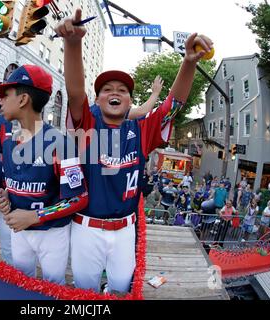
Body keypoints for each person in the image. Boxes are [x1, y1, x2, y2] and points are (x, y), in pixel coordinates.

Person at [55, 8, 213, 293]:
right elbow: (76, 92)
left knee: (120, 288)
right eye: (106, 89)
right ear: (98, 99)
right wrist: (73, 43)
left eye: (122, 90)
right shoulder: (87, 126)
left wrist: (188, 63)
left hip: (126, 231)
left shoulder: (141, 131)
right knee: (84, 291)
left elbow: (172, 106)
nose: (114, 92)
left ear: (130, 102)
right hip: (86, 230)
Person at [0, 64, 88, 285]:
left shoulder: (60, 144)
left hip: (52, 233)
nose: (0, 100)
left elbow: (79, 197)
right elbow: (10, 183)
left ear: (23, 99)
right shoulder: (8, 143)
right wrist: (3, 196)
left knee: (53, 287)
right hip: (18, 230)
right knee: (22, 285)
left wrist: (35, 216)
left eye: (6, 95)